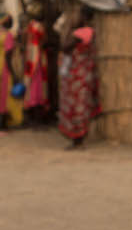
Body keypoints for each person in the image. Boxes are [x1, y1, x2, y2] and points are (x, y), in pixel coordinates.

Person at [57, 20, 98, 148]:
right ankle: (78, 139)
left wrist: (71, 35)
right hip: (84, 77)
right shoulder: (92, 35)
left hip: (76, 78)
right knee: (81, 108)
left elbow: (65, 47)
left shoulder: (82, 34)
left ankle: (77, 140)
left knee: (75, 109)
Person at [0, 14, 24, 131]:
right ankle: (4, 120)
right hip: (6, 66)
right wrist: (13, 73)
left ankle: (0, 119)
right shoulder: (9, 36)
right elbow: (8, 55)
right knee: (6, 93)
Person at [23, 8, 51, 123]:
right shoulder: (39, 27)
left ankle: (32, 112)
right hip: (38, 59)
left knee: (31, 84)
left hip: (30, 58)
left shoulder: (29, 26)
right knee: (39, 87)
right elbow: (44, 41)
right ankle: (38, 116)